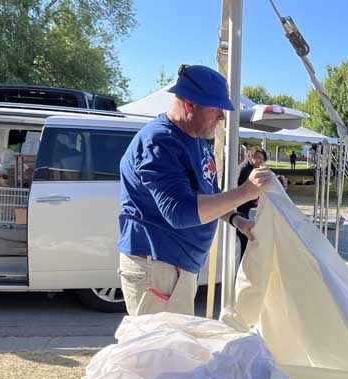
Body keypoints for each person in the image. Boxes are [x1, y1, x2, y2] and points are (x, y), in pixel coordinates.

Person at [117, 64, 275, 317]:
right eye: (216, 109)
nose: (222, 117)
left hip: (175, 267)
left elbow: (209, 197)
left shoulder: (196, 141)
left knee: (174, 352)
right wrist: (246, 192)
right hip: (157, 267)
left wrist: (237, 220)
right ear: (190, 105)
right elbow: (180, 212)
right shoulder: (160, 142)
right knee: (162, 354)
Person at [234, 147, 267, 260]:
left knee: (245, 240)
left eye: (262, 159)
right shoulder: (246, 169)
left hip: (242, 210)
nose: (260, 161)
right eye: (257, 157)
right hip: (238, 210)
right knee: (244, 240)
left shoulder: (248, 168)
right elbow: (243, 190)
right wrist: (254, 199)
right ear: (251, 156)